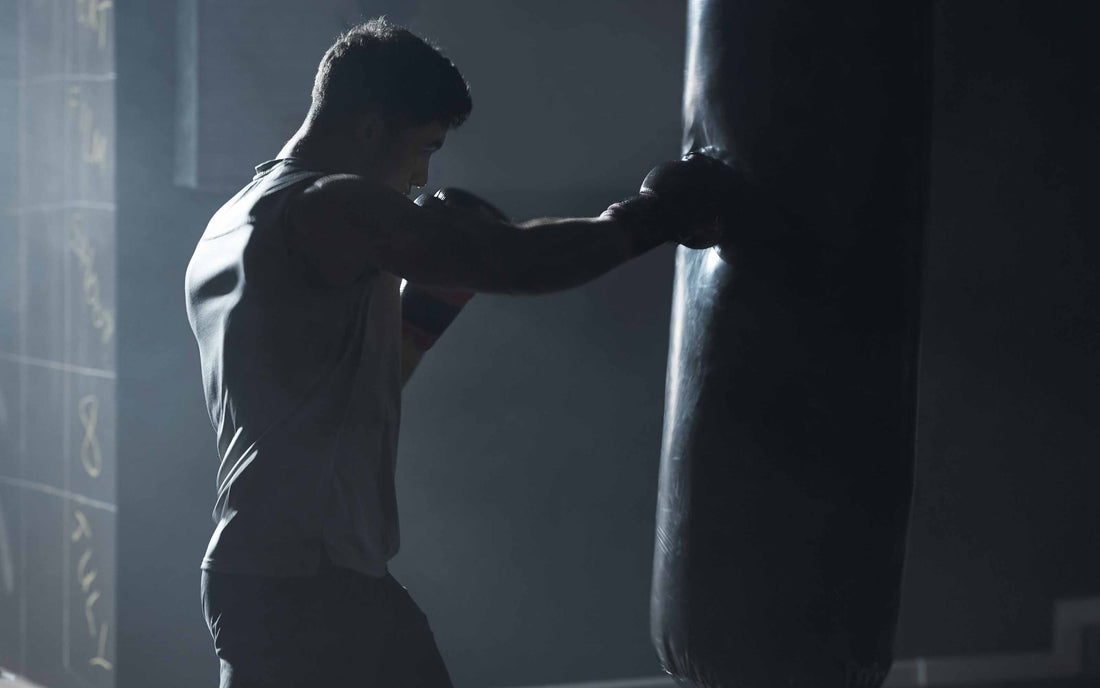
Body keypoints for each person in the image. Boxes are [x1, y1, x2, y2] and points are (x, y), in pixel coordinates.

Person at [185, 17, 732, 688]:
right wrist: (653, 218)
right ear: (366, 126)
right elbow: (520, 263)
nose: (421, 177)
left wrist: (440, 292)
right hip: (307, 585)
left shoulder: (237, 217)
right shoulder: (328, 205)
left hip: (292, 575)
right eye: (423, 147)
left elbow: (350, 383)